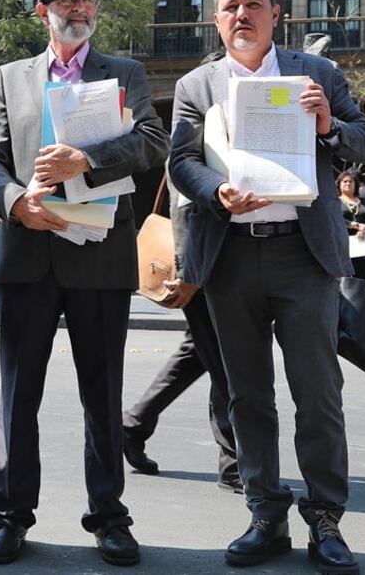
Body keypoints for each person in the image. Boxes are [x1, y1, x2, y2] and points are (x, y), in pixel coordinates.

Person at [169, 0, 365, 574]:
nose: (242, 15)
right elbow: (181, 162)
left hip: (303, 255)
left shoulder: (317, 74)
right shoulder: (196, 85)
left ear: (275, 12)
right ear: (216, 19)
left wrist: (328, 125)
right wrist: (214, 192)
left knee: (318, 393)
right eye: (230, 6)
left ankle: (327, 520)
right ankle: (265, 514)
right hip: (230, 255)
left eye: (253, 3)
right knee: (247, 394)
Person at [0, 0, 168, 566]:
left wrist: (84, 160)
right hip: (28, 255)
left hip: (102, 257)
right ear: (42, 11)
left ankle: (109, 517)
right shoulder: (10, 78)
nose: (78, 7)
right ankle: (9, 515)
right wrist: (15, 202)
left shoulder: (126, 73)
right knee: (17, 398)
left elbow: (153, 143)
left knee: (102, 396)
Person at [122, 177, 239, 493]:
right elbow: (180, 200)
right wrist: (189, 270)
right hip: (200, 264)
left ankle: (133, 424)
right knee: (223, 360)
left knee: (198, 351)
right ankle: (233, 463)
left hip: (229, 259)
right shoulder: (194, 129)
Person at [337, 170, 365, 236]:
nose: (348, 183)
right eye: (345, 181)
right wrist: (352, 225)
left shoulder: (363, 201)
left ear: (355, 185)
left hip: (364, 239)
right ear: (339, 185)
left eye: (351, 181)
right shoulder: (335, 202)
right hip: (343, 239)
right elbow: (333, 219)